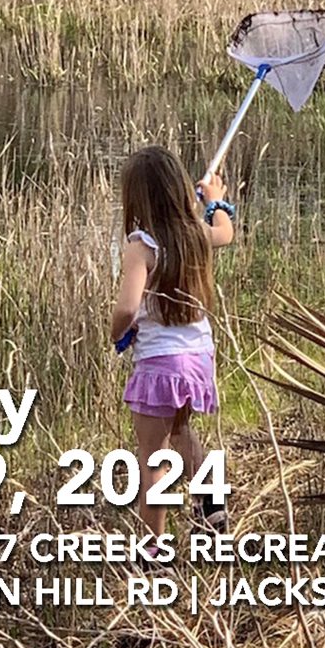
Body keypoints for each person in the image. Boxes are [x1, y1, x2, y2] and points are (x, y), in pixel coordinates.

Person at [111, 145, 234, 546]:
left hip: (159, 365)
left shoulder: (139, 246)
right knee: (180, 429)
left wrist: (117, 333)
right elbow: (225, 233)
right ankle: (212, 501)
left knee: (153, 462)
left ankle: (152, 550)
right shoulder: (195, 233)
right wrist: (217, 203)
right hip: (198, 359)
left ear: (136, 198)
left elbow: (127, 308)